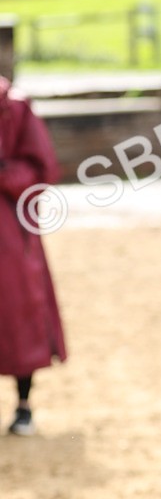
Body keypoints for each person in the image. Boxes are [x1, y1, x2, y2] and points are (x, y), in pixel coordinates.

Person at [0, 75, 67, 434]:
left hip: (9, 234)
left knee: (17, 314)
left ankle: (23, 406)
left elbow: (42, 169)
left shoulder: (14, 107)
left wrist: (3, 173)